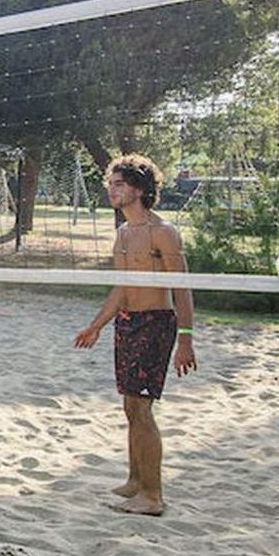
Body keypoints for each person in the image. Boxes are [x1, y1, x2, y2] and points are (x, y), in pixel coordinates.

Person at [72, 154, 198, 516]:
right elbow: (122, 288)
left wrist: (185, 339)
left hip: (156, 323)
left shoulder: (163, 232)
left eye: (119, 184)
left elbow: (183, 289)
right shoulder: (124, 233)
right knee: (130, 406)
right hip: (128, 322)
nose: (112, 190)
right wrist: (96, 325)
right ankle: (135, 480)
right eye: (110, 184)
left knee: (142, 409)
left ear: (140, 189)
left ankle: (153, 495)